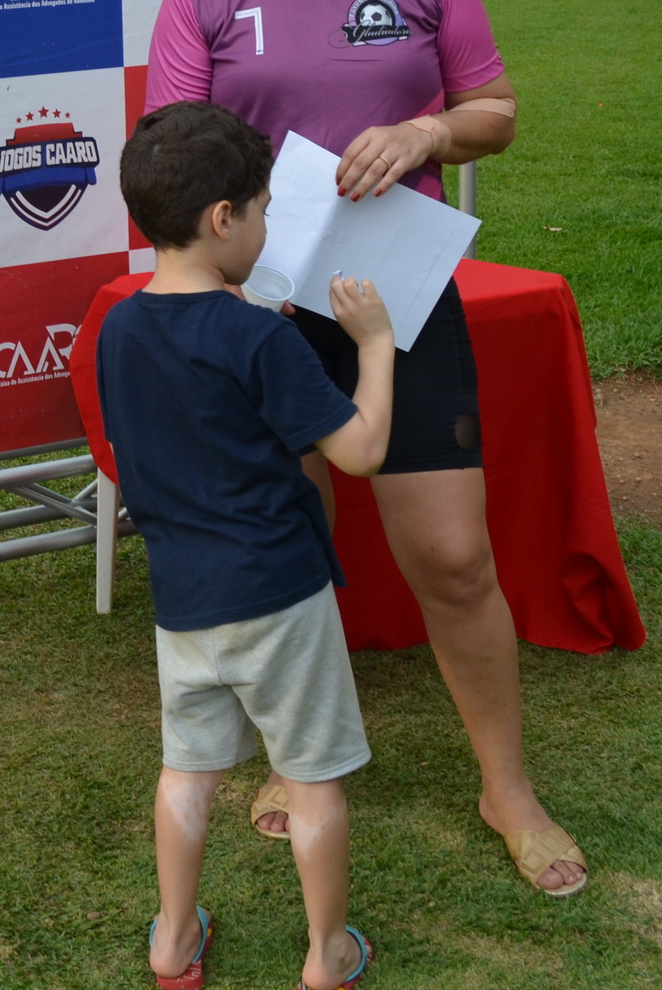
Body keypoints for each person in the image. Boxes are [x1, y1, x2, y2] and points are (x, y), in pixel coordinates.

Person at [145, 0, 585, 898]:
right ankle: (295, 758)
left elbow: (494, 110)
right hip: (255, 314)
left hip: (397, 300)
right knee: (290, 547)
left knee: (452, 554)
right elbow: (168, 154)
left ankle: (506, 786)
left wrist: (428, 131)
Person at [100, 101, 394, 990]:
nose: (269, 226)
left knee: (186, 773)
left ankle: (173, 941)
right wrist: (375, 345)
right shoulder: (262, 335)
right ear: (224, 219)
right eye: (264, 210)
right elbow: (360, 451)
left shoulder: (117, 327)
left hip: (183, 600)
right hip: (280, 593)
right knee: (311, 781)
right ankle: (326, 954)